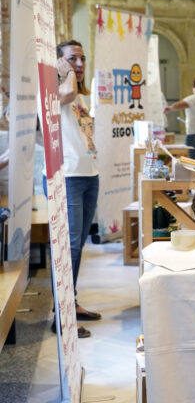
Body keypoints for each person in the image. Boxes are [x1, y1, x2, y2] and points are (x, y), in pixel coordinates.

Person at [48, 40, 104, 339]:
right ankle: (62, 314)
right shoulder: (58, 90)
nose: (79, 64)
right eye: (72, 59)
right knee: (69, 248)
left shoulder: (79, 94)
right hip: (69, 176)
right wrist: (66, 72)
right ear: (59, 62)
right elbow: (66, 92)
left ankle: (72, 302)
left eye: (82, 58)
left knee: (78, 246)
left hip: (89, 175)